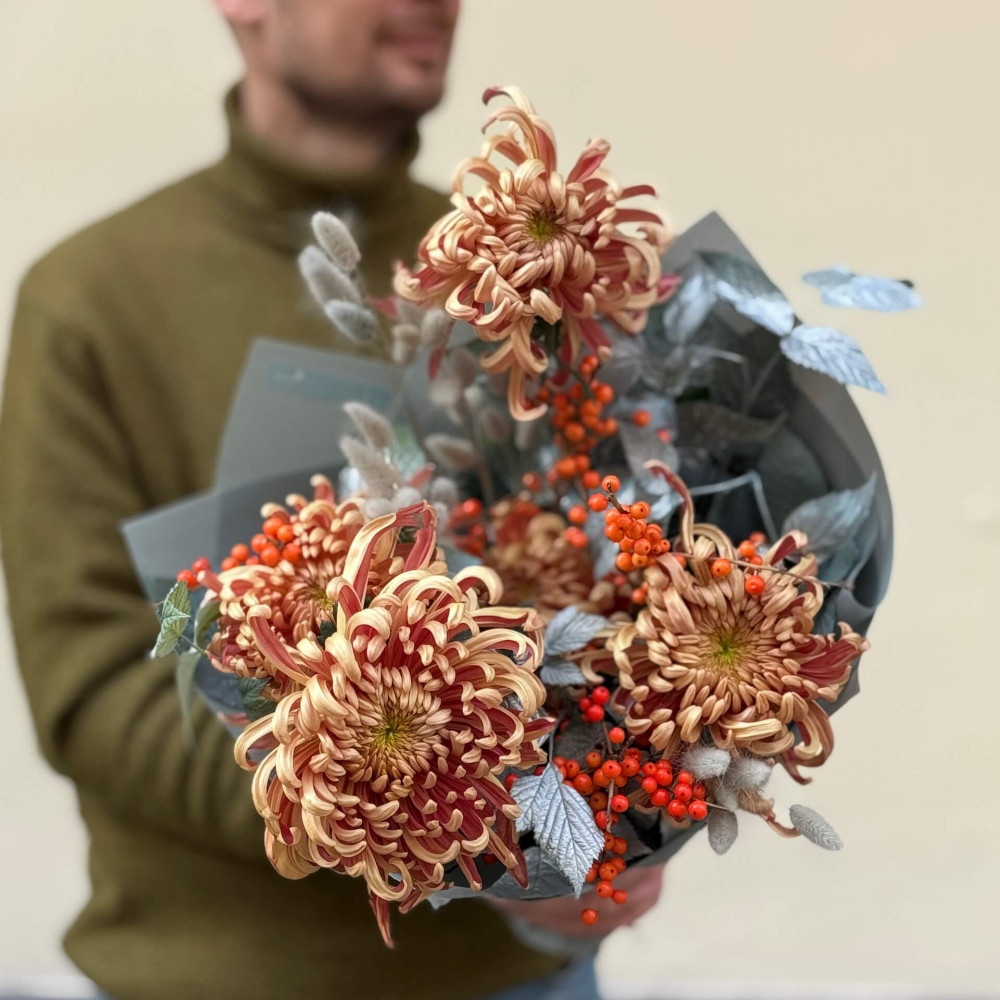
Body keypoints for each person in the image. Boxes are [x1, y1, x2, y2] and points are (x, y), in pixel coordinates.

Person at [0, 2, 663, 997]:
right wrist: (437, 827)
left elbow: (617, 583)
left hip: (520, 977)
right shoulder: (91, 300)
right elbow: (92, 691)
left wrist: (625, 804)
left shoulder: (522, 279)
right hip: (220, 980)